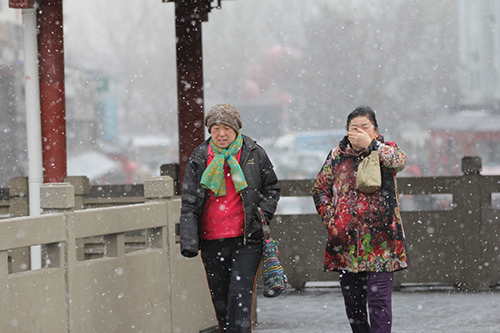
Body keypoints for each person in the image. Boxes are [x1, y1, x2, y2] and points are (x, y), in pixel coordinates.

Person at [179, 103, 280, 333]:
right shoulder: (200, 156)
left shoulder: (253, 153)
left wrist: (260, 215)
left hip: (247, 239)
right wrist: (188, 240)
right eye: (215, 128)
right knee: (221, 300)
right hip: (211, 239)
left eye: (226, 127)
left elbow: (272, 188)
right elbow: (189, 201)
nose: (221, 133)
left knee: (240, 296)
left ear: (236, 129)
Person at [312, 106, 411, 333]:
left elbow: (399, 161)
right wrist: (331, 219)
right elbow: (319, 189)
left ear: (375, 130)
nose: (359, 131)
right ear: (346, 131)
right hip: (346, 242)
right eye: (354, 128)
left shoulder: (386, 151)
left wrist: (371, 146)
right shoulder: (337, 155)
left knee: (379, 303)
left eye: (365, 127)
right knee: (354, 307)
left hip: (382, 242)